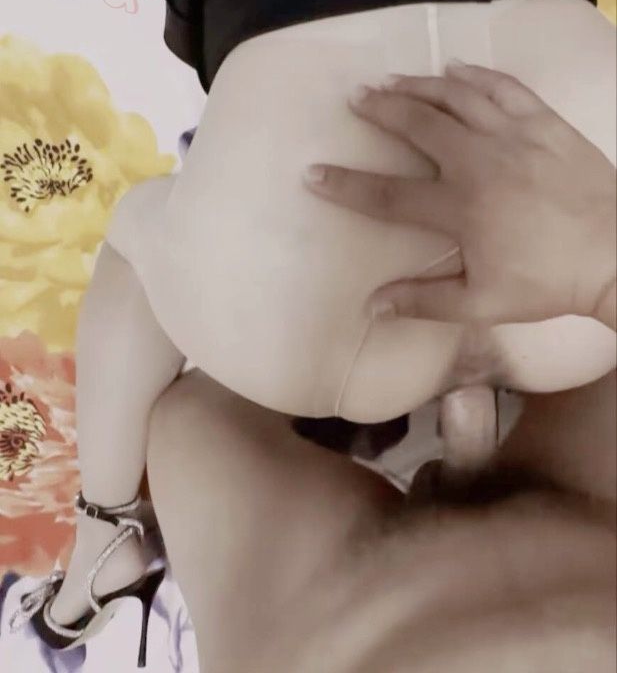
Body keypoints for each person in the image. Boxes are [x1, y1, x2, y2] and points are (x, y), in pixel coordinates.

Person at [10, 0, 616, 660]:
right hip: (340, 303)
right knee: (145, 250)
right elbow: (201, 421)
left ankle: (106, 530)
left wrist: (601, 263)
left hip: (575, 248)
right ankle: (102, 533)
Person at [144, 64, 616, 673]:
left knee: (194, 432)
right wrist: (601, 269)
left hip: (351, 604)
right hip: (591, 529)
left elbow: (189, 407)